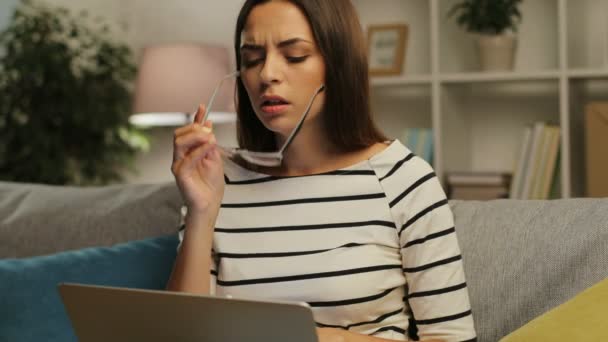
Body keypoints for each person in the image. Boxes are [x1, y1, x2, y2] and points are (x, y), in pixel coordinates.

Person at [166, 0, 477, 341]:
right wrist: (200, 213)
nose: (267, 73)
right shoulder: (216, 180)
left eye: (295, 55)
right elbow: (183, 334)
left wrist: (326, 339)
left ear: (338, 64)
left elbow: (452, 337)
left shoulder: (403, 180)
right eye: (252, 59)